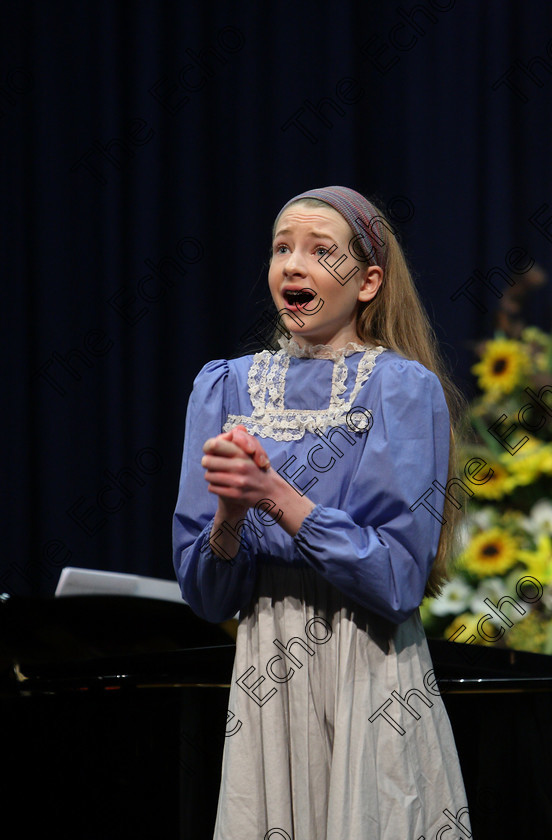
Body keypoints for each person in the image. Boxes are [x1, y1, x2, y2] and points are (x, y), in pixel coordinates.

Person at [173, 186, 471, 839]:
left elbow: (394, 580)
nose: (293, 265)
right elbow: (205, 594)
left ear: (367, 282)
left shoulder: (400, 388)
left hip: (367, 667)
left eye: (319, 251)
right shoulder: (223, 386)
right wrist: (227, 517)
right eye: (282, 248)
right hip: (266, 670)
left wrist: (276, 497)